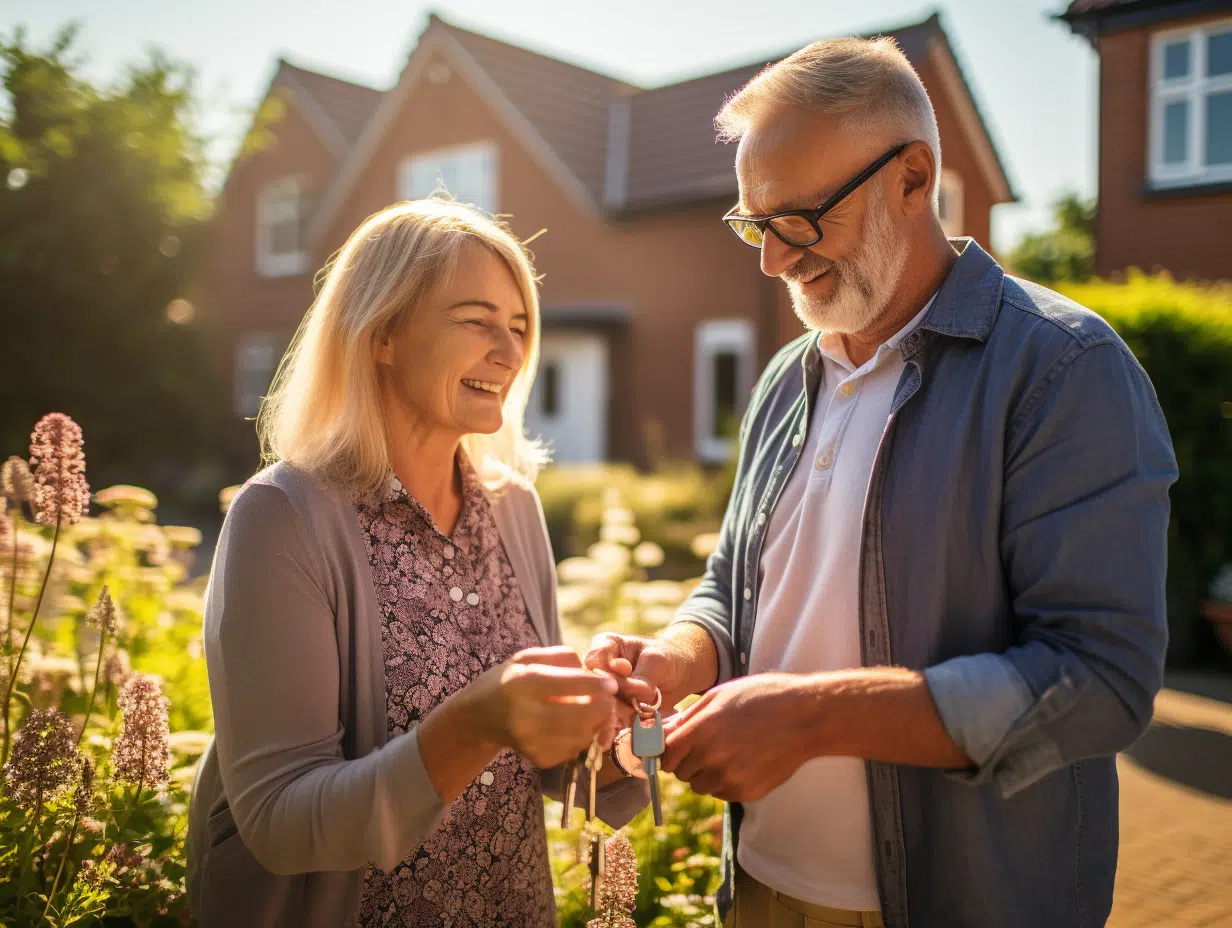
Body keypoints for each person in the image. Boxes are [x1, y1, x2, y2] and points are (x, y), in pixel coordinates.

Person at [587, 36, 1176, 928]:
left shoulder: (1064, 369)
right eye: (754, 223)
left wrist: (815, 718)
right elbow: (738, 587)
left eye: (799, 218)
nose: (772, 262)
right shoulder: (787, 378)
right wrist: (676, 659)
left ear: (913, 177)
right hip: (756, 889)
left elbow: (1101, 681)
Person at [186, 200, 647, 928]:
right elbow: (276, 820)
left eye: (520, 326)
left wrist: (622, 729)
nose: (510, 350)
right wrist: (475, 723)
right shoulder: (282, 518)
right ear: (383, 335)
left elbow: (545, 766)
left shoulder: (515, 509)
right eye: (476, 320)